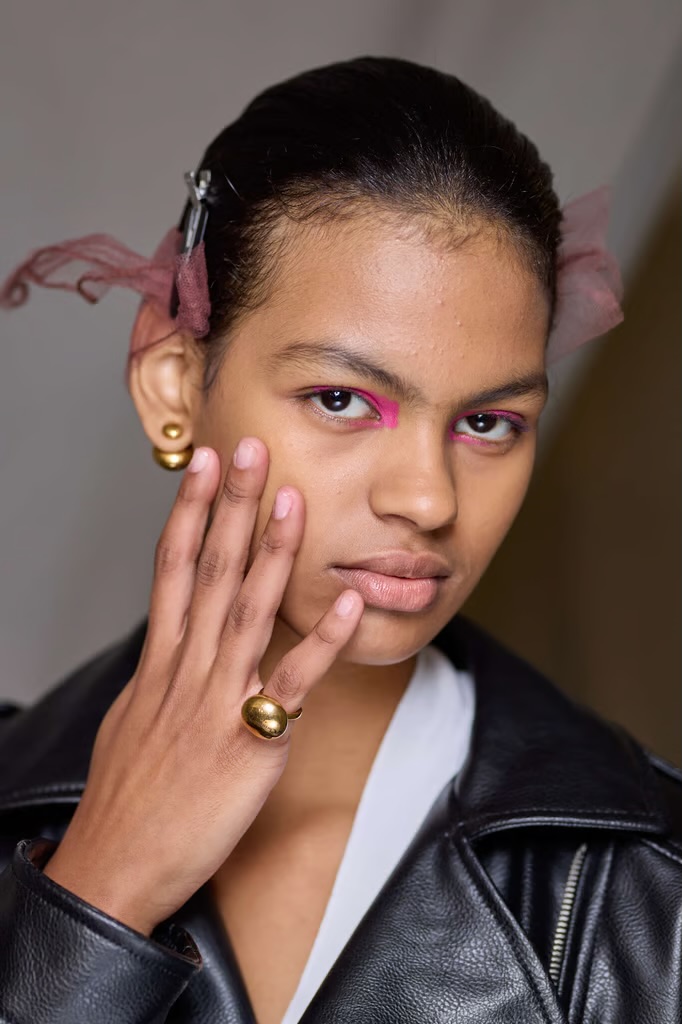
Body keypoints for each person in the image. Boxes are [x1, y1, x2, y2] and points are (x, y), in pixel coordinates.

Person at [0, 55, 679, 1024]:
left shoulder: (651, 888)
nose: (427, 498)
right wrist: (101, 891)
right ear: (173, 386)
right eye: (341, 399)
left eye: (489, 422)